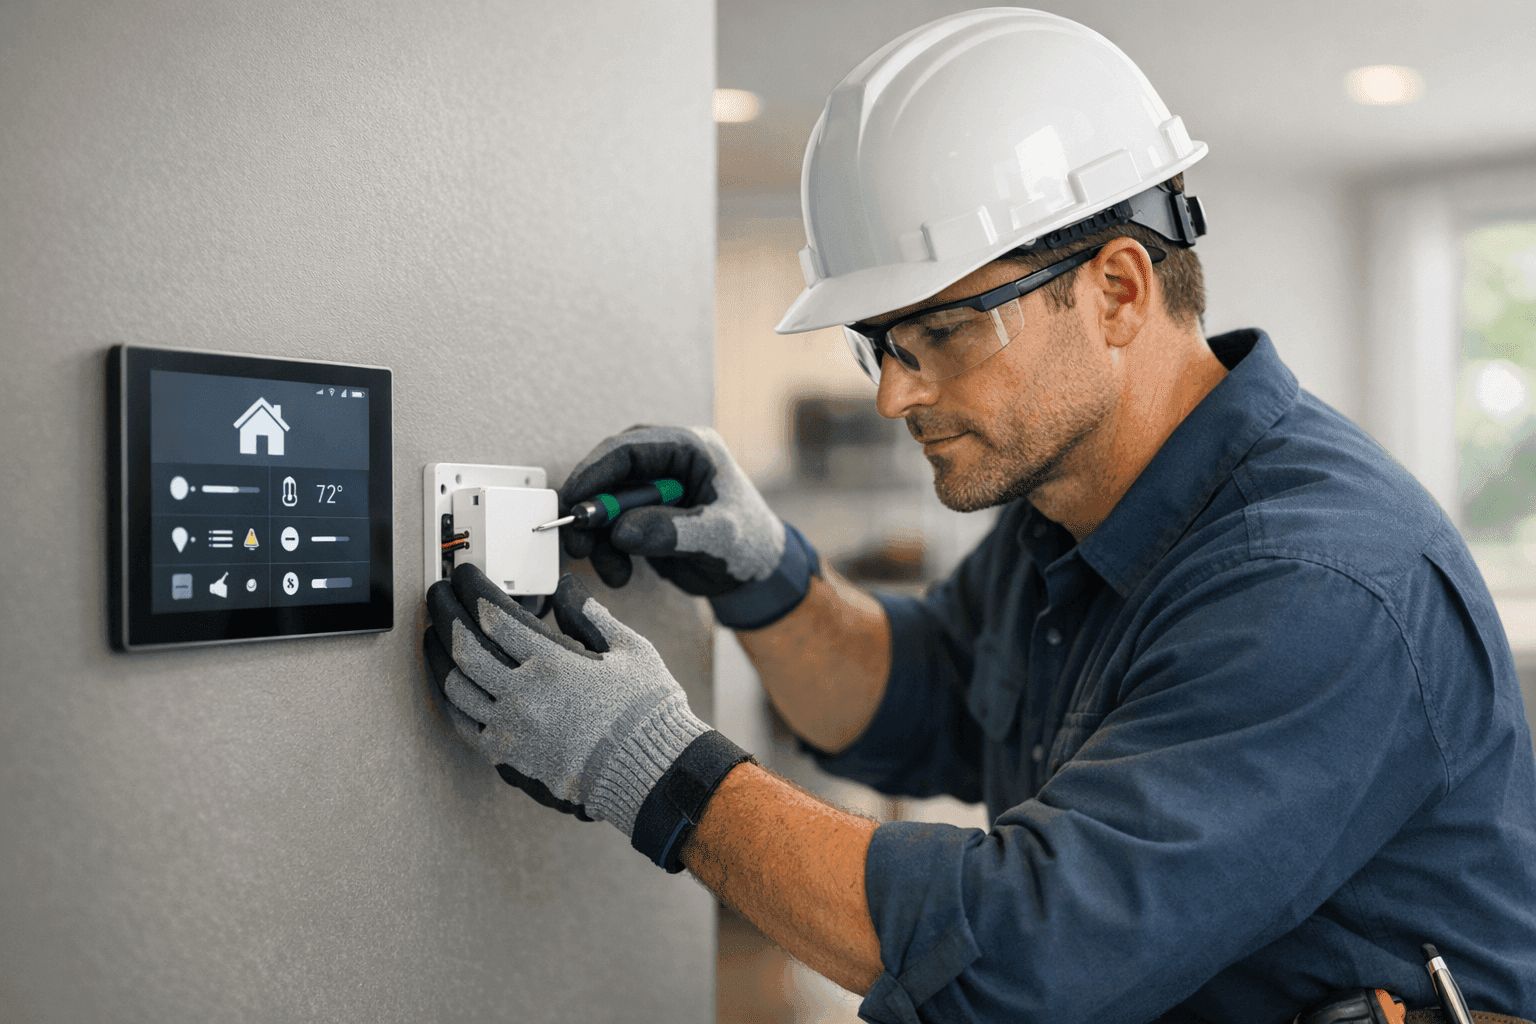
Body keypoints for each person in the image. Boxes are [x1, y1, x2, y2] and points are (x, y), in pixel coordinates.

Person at [422, 9, 1536, 1023]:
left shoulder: (1317, 584)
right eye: (881, 344)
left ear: (1115, 290)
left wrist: (653, 766)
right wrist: (766, 574)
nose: (893, 394)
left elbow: (1026, 954)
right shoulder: (1071, 499)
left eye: (943, 334)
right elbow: (925, 697)